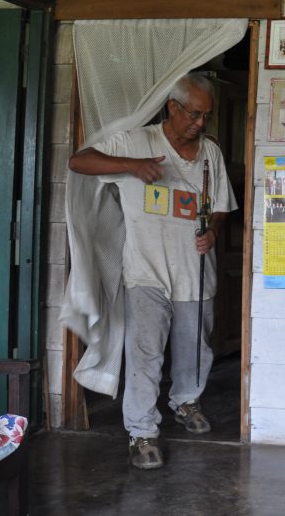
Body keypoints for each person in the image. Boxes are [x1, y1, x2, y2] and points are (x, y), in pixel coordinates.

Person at [67, 72, 236, 470]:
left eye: (205, 116)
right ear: (172, 107)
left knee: (196, 347)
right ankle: (142, 432)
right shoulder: (134, 141)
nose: (199, 124)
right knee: (144, 353)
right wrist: (131, 166)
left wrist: (213, 231)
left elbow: (224, 204)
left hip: (195, 270)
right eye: (193, 114)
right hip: (145, 272)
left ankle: (186, 401)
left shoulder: (210, 153)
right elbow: (79, 161)